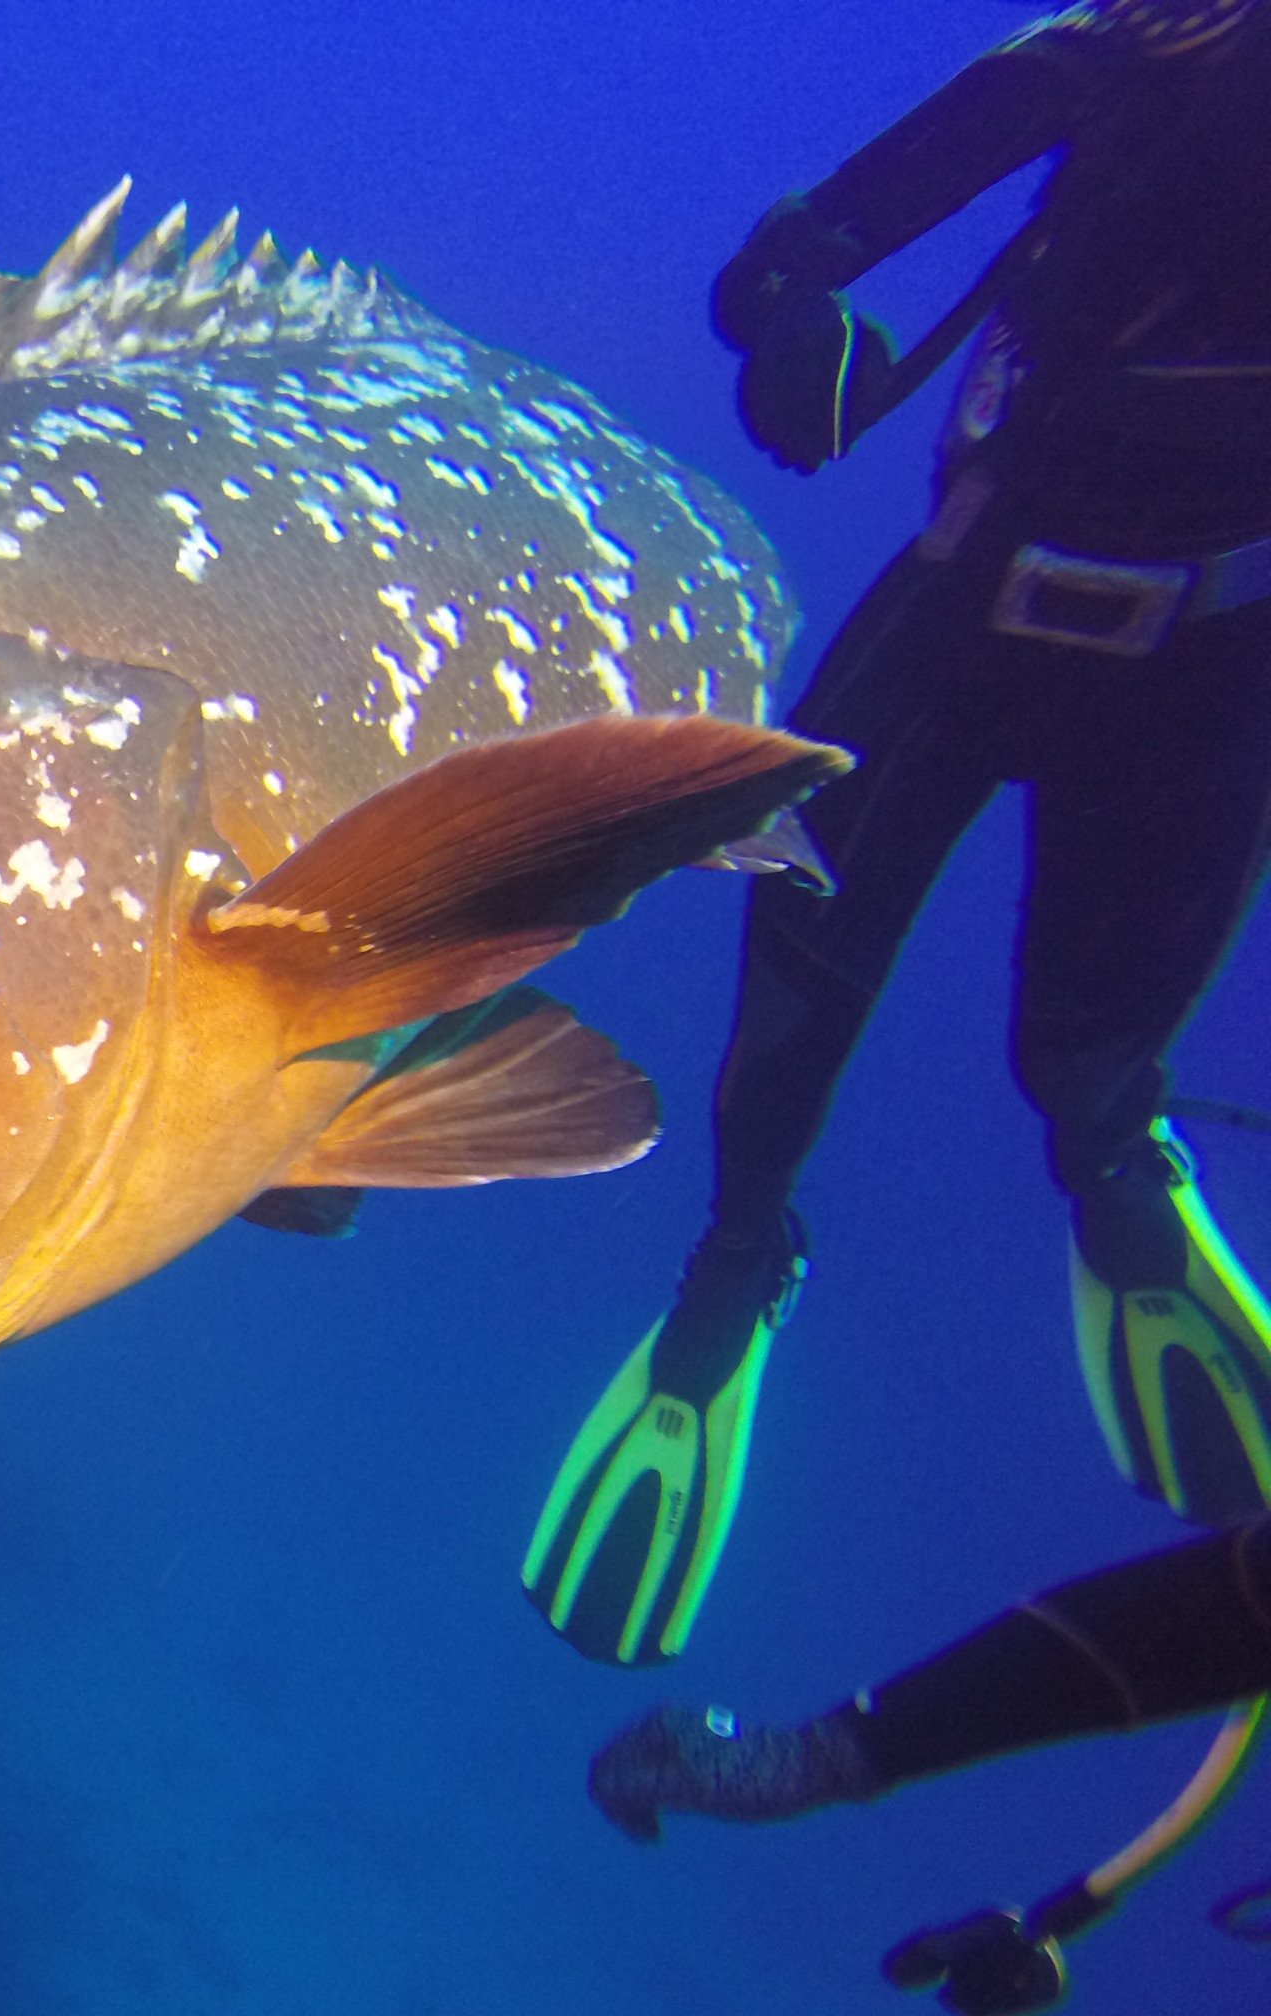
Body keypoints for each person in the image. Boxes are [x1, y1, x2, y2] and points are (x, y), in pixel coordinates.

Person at [525, 0, 1271, 1669]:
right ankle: (737, 1258)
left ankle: (1115, 1173)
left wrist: (795, 302)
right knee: (788, 1023)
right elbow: (773, 262)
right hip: (966, 629)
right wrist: (802, 314)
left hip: (1208, 675)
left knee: (1087, 1053)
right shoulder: (1085, 67)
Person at [590, 1516, 1270, 2016]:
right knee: (798, 1774)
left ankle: (677, 1731)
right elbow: (1198, 1799)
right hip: (1080, 1657)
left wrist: (1044, 1925)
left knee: (806, 1765)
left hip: (1080, 1649)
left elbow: (1203, 1791)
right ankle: (636, 1764)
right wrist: (1041, 1926)